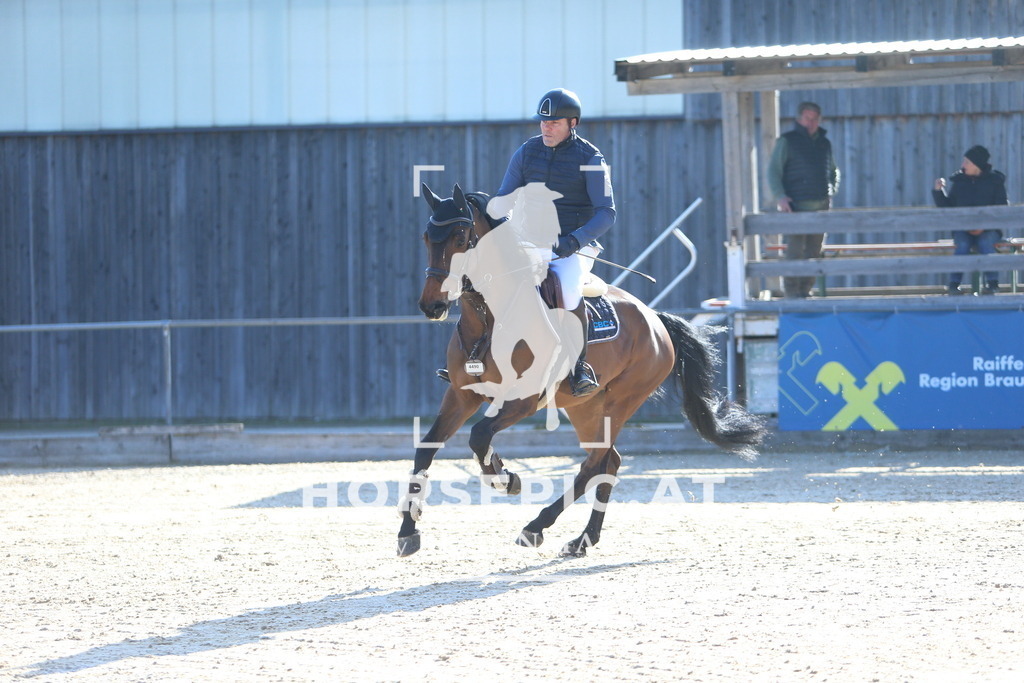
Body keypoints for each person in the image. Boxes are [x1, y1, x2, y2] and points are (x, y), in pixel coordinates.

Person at [491, 88, 615, 397]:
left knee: (569, 290)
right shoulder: (526, 152)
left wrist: (575, 240)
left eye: (554, 122)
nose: (546, 127)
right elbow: (504, 200)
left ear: (573, 123)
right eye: (542, 122)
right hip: (529, 241)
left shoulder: (590, 157)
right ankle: (474, 356)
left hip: (573, 245)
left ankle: (579, 367)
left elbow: (607, 213)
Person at [767, 102, 841, 298]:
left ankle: (806, 290)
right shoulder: (787, 141)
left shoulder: (825, 143)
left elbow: (834, 171)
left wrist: (831, 189)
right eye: (808, 118)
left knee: (814, 253)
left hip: (820, 207)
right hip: (795, 207)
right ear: (799, 119)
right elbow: (773, 172)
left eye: (815, 119)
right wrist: (781, 196)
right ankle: (792, 293)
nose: (811, 123)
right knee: (795, 252)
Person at [932, 145, 1008, 295]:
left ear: (977, 165)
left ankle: (992, 284)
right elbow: (949, 208)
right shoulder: (959, 182)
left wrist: (984, 227)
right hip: (963, 228)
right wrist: (938, 192)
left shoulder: (995, 182)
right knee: (963, 243)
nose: (963, 165)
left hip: (989, 228)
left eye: (967, 162)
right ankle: (954, 285)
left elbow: (1001, 209)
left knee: (986, 241)